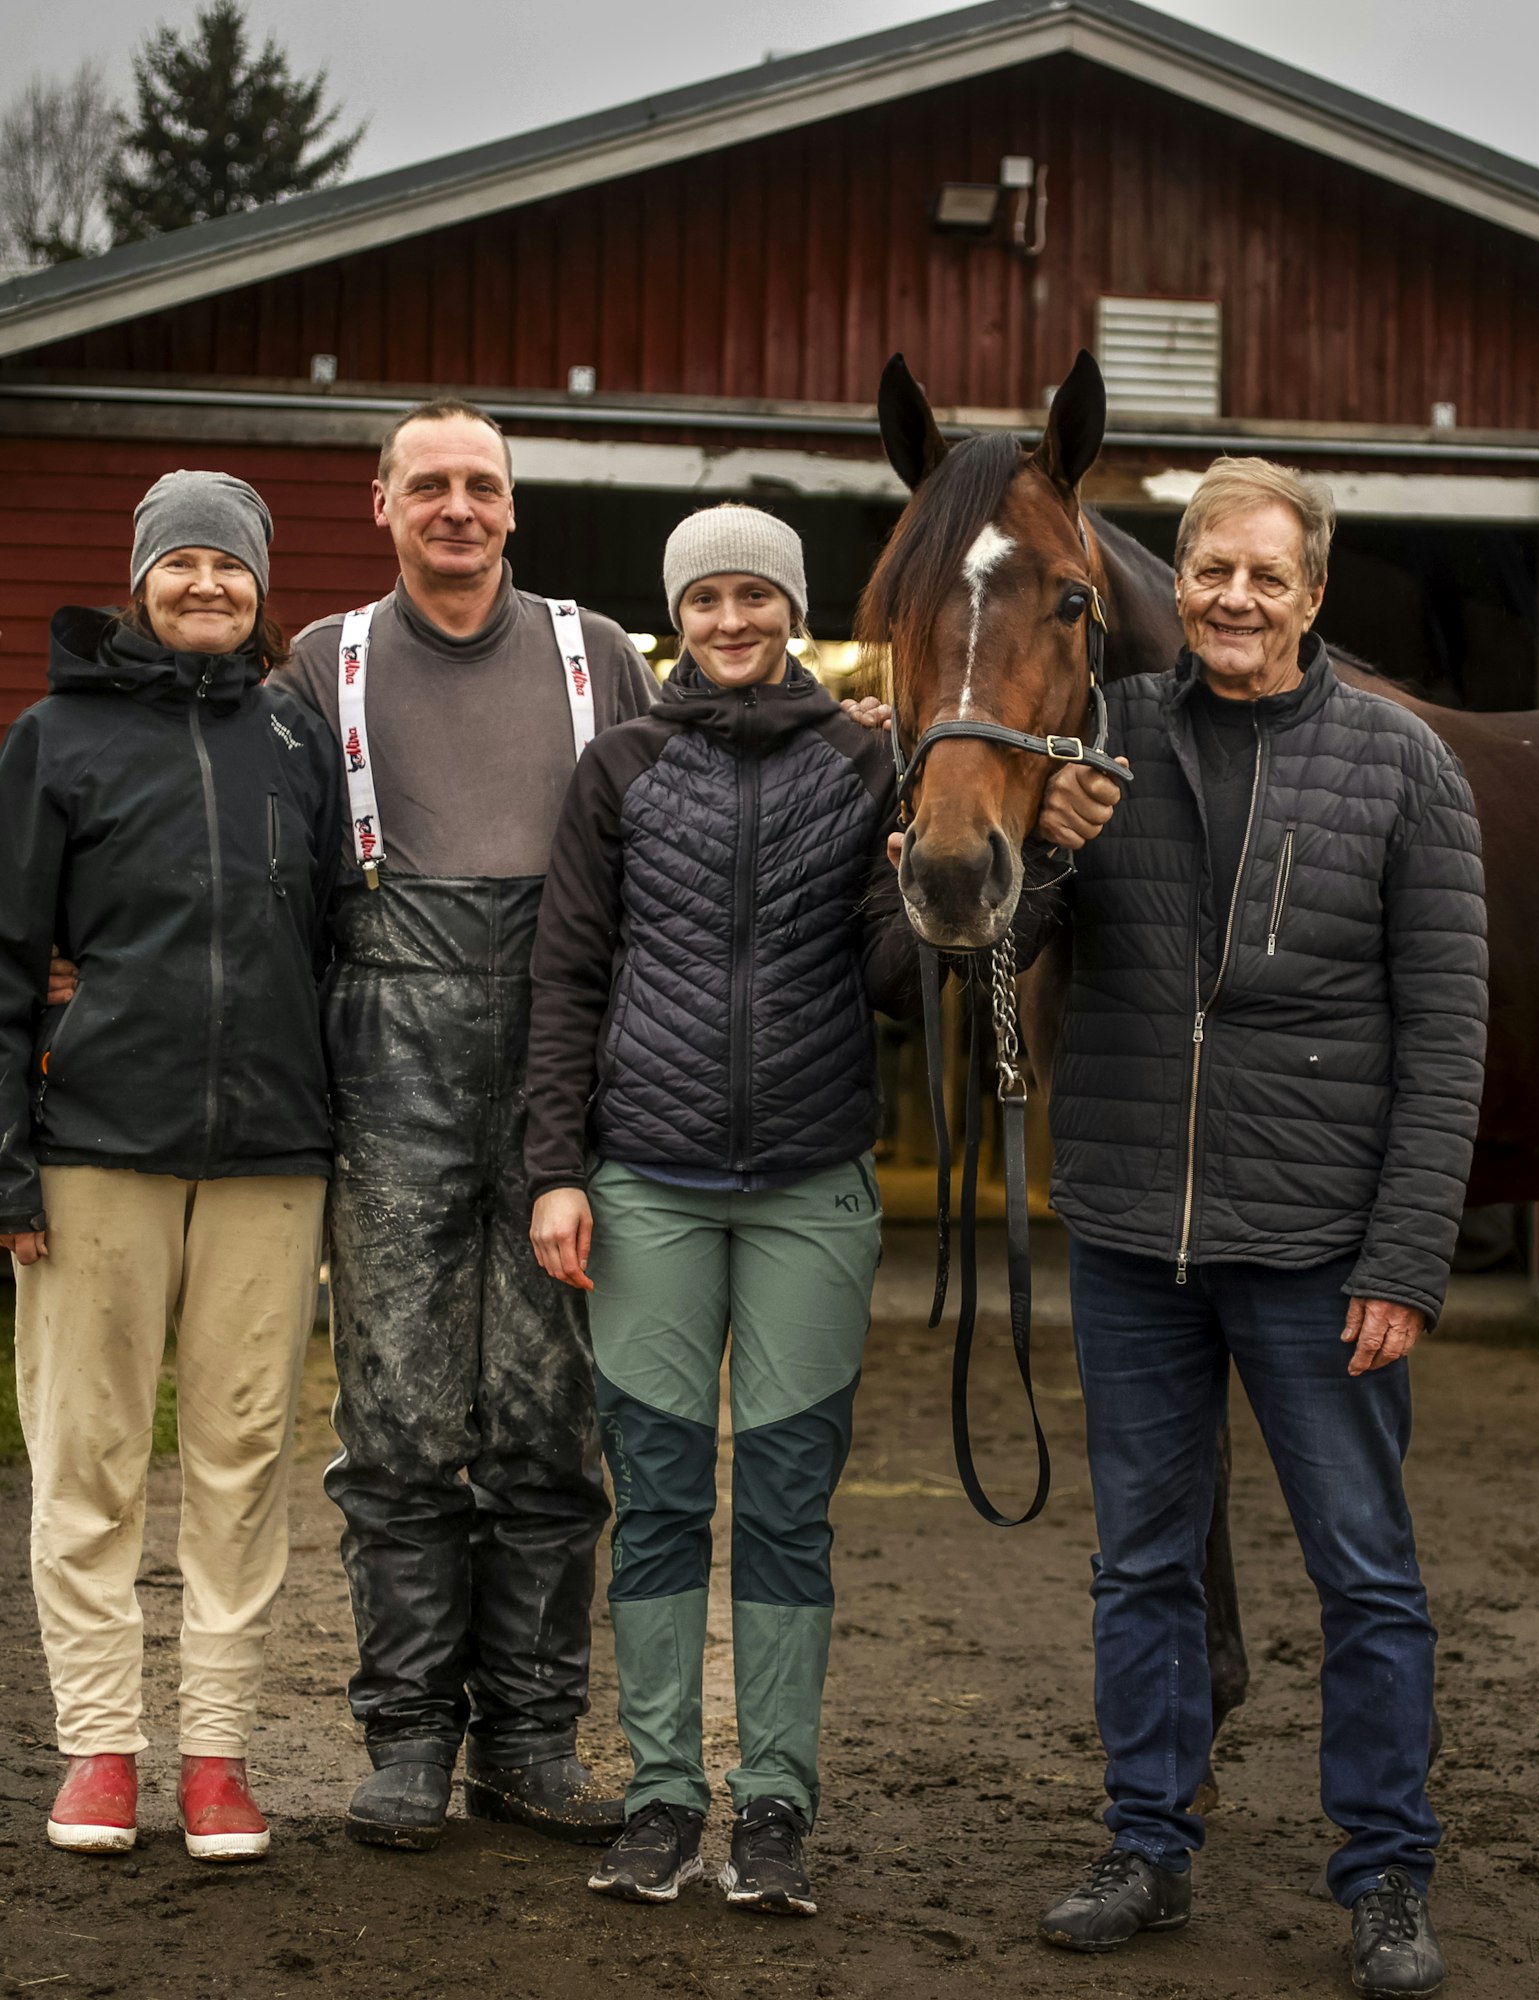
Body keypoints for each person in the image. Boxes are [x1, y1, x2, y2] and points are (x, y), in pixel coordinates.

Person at [1025, 458, 1487, 1996]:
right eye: (1212, 569)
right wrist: (1042, 840)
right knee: (1143, 1564)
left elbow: (1447, 1045)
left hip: (1318, 1254)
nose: (1234, 597)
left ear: (1313, 594)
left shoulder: (1402, 764)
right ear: (1183, 576)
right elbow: (991, 947)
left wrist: (1408, 1261)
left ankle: (1386, 1875)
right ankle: (1149, 1843)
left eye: (1266, 576)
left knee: (1364, 1571)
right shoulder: (1104, 741)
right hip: (1134, 1239)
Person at [279, 399, 657, 1851]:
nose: (457, 507)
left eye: (481, 485)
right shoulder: (325, 660)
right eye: (427, 483)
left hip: (566, 1057)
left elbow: (669, 853)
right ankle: (409, 1736)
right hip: (388, 1056)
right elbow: (279, 878)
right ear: (381, 505)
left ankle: (536, 1736)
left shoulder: (598, 653)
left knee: (556, 1419)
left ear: (515, 508)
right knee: (398, 1418)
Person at [524, 505, 913, 1916]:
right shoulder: (619, 765)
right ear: (674, 617)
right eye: (707, 600)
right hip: (648, 1185)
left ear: (791, 609)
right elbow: (566, 974)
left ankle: (777, 1804)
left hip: (812, 1182)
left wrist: (997, 879)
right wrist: (555, 1167)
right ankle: (661, 1796)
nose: (732, 621)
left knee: (791, 1509)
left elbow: (897, 973)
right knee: (665, 1499)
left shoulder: (869, 758)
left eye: (756, 596)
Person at [0, 472, 344, 1862]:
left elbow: (330, 940)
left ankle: (215, 1754)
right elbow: (9, 958)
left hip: (272, 1153)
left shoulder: (296, 739)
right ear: (141, 578)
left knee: (243, 1454)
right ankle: (97, 1748)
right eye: (183, 563)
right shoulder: (55, 739)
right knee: (85, 1455)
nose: (208, 585)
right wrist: (6, 1164)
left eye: (232, 568)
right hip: (97, 1154)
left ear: (262, 593)